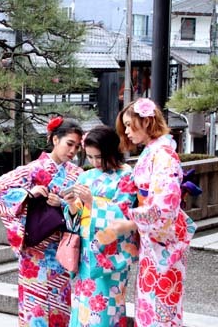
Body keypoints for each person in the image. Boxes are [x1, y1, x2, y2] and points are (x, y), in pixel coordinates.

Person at [111, 98, 197, 326]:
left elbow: (164, 206)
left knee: (161, 305)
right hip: (155, 241)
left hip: (164, 241)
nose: (127, 131)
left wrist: (130, 224)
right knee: (151, 303)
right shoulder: (154, 151)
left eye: (130, 125)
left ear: (147, 121)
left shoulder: (163, 155)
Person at [0, 117, 84, 327]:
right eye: (69, 144)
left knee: (63, 310)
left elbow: (84, 210)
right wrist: (28, 193)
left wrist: (62, 203)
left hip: (63, 251)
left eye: (77, 147)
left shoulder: (77, 174)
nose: (72, 151)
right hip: (35, 253)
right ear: (54, 140)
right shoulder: (32, 170)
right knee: (36, 311)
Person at [62, 126, 138, 327]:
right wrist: (71, 204)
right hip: (86, 250)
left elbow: (124, 214)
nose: (95, 162)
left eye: (99, 157)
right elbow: (75, 218)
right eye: (90, 157)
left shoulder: (126, 175)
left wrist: (92, 203)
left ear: (112, 151)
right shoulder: (86, 176)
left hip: (109, 252)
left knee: (106, 306)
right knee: (82, 304)